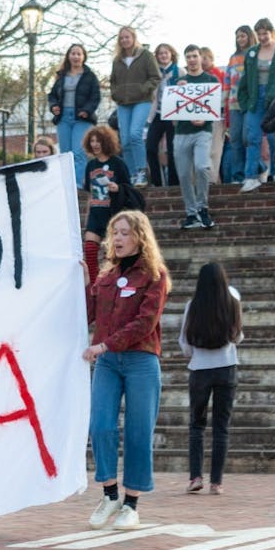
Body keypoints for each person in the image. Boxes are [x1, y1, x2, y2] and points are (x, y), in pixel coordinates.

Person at [82, 210, 171, 531]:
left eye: (124, 233)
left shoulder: (154, 275)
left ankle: (131, 503)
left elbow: (145, 322)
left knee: (138, 432)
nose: (116, 239)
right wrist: (85, 283)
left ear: (140, 237)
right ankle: (109, 494)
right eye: (114, 233)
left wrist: (106, 345)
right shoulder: (107, 276)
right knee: (101, 426)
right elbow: (88, 314)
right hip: (107, 363)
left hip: (140, 360)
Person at [179, 262, 243, 496]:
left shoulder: (192, 306)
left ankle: (196, 477)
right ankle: (217, 482)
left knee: (197, 425)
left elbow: (184, 344)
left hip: (200, 370)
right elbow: (238, 337)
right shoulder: (232, 302)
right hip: (227, 368)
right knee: (221, 427)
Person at [237, 18, 275, 193]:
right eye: (259, 34)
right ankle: (251, 176)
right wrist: (244, 102)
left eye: (265, 33)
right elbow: (245, 79)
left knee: (274, 137)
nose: (262, 37)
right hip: (255, 99)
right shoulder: (252, 53)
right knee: (252, 137)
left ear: (272, 32)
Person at [110, 26, 161, 188]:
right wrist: (115, 94)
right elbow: (113, 81)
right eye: (122, 38)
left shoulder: (145, 55)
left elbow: (155, 77)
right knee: (124, 140)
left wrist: (142, 89)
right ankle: (132, 174)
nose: (124, 40)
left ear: (133, 37)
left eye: (127, 37)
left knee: (134, 134)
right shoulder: (117, 59)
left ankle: (141, 172)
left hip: (142, 100)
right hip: (123, 103)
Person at [173, 45, 217, 230]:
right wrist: (179, 90)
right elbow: (172, 110)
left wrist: (204, 118)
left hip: (202, 131)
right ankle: (191, 213)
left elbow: (215, 107)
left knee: (201, 167)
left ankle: (203, 208)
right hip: (182, 132)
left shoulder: (210, 79)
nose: (191, 59)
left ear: (201, 57)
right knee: (183, 174)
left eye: (194, 56)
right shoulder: (179, 81)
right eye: (188, 56)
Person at [82, 125, 131, 286]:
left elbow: (128, 189)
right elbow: (90, 193)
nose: (95, 144)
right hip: (95, 212)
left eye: (99, 141)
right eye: (92, 141)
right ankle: (94, 283)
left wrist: (117, 188)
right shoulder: (90, 165)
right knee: (89, 249)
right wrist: (87, 216)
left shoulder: (118, 163)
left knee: (110, 253)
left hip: (112, 213)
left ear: (106, 142)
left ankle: (108, 283)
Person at [48, 43, 102, 188]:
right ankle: (66, 185)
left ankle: (78, 184)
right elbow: (52, 96)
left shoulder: (89, 76)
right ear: (68, 56)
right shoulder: (61, 76)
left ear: (83, 57)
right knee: (65, 154)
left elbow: (95, 97)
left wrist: (87, 110)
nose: (76, 56)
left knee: (78, 153)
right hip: (63, 117)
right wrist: (54, 107)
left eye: (79, 54)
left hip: (82, 118)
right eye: (73, 53)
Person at [224, 25, 256, 185]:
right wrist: (225, 96)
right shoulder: (233, 57)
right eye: (238, 37)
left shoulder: (255, 54)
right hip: (234, 103)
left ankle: (257, 166)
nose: (240, 39)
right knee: (235, 138)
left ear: (250, 36)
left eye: (243, 36)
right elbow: (227, 79)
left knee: (246, 137)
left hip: (250, 103)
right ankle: (238, 175)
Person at [145, 43, 180, 188]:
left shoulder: (180, 71)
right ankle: (156, 181)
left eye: (166, 53)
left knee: (172, 150)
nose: (163, 56)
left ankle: (173, 183)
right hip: (158, 114)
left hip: (174, 115)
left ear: (171, 54)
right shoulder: (154, 73)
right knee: (150, 147)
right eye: (160, 53)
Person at [200, 47, 227, 184]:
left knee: (214, 151)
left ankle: (213, 180)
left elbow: (223, 96)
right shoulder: (198, 76)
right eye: (201, 58)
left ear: (211, 58)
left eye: (205, 58)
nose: (202, 61)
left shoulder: (218, 75)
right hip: (203, 117)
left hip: (217, 117)